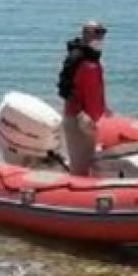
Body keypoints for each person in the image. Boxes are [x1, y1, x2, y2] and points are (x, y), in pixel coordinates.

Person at [57, 21, 111, 176]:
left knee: (90, 161)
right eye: (97, 32)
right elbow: (65, 88)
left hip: (92, 120)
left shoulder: (94, 58)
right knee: (80, 167)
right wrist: (81, 113)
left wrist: (105, 108)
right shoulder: (76, 59)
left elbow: (97, 88)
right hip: (77, 119)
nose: (101, 37)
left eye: (103, 33)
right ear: (86, 34)